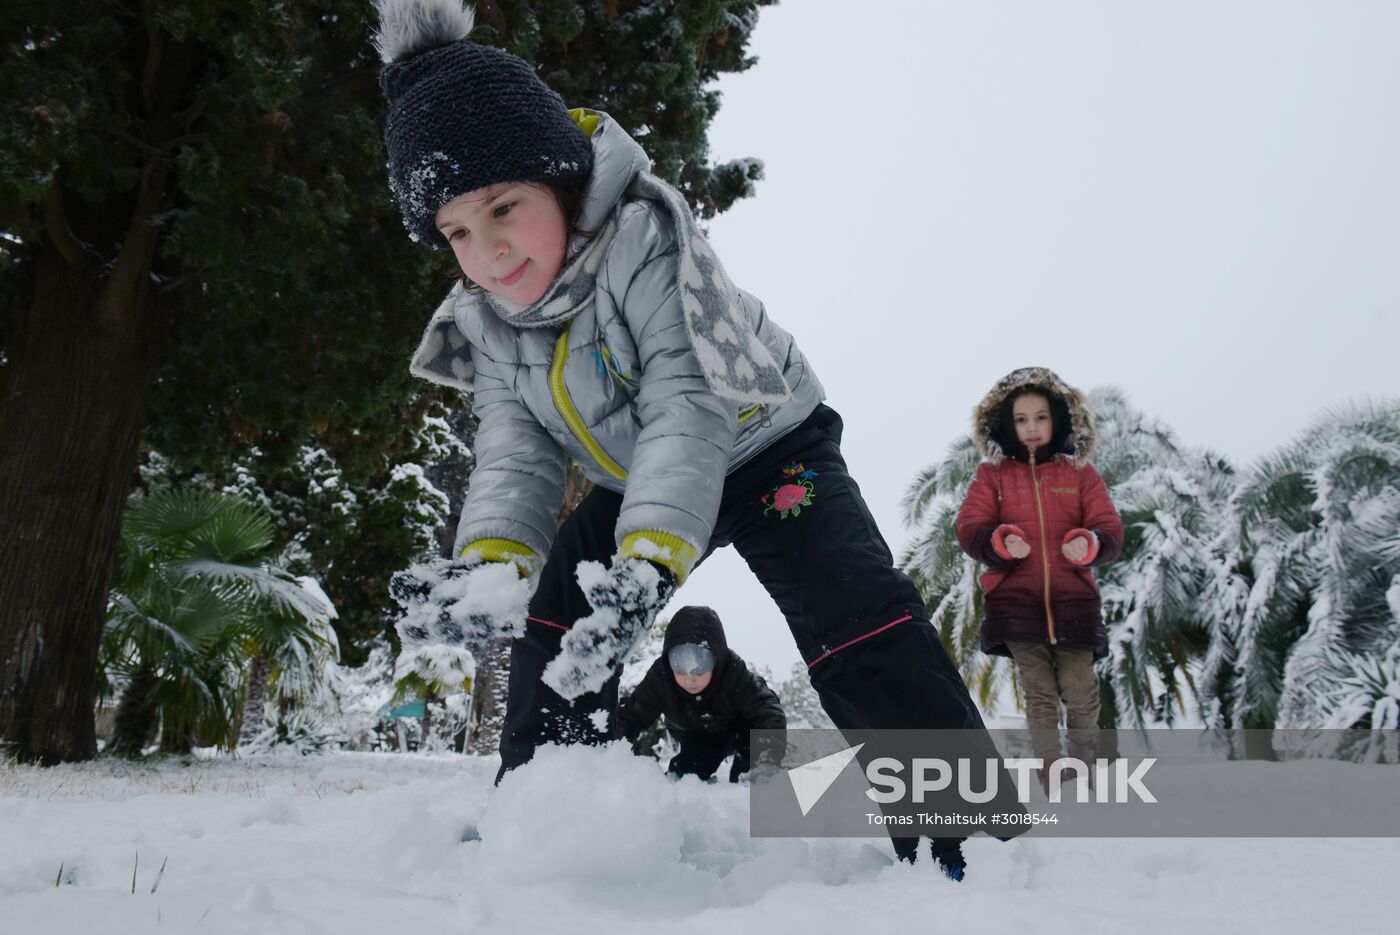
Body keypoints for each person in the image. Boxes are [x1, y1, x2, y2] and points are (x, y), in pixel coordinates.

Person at [376, 0, 1016, 875]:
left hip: (764, 443)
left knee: (854, 616)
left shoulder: (647, 239)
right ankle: (543, 812)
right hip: (641, 471)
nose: (486, 250)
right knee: (560, 621)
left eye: (503, 207)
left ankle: (964, 829)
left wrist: (650, 561)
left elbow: (689, 401)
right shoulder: (487, 318)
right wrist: (492, 564)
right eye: (456, 230)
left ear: (559, 180)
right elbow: (515, 451)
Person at [955, 367, 1125, 790]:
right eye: (1021, 419)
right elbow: (969, 528)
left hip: (1073, 602)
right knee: (1040, 692)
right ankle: (1053, 772)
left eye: (1041, 417)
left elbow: (1110, 529)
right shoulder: (991, 476)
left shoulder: (1080, 474)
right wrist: (1000, 540)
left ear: (1060, 419)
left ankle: (1083, 764)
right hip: (1015, 602)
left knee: (1081, 687)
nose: (1031, 427)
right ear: (1005, 424)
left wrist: (1089, 543)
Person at [617, 606, 785, 783]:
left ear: (716, 660)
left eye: (700, 669)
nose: (690, 679)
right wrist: (621, 759)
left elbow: (767, 710)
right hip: (696, 735)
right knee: (684, 779)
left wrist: (768, 758)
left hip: (740, 729)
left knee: (750, 777)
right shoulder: (661, 677)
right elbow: (628, 717)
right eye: (680, 667)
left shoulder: (733, 671)